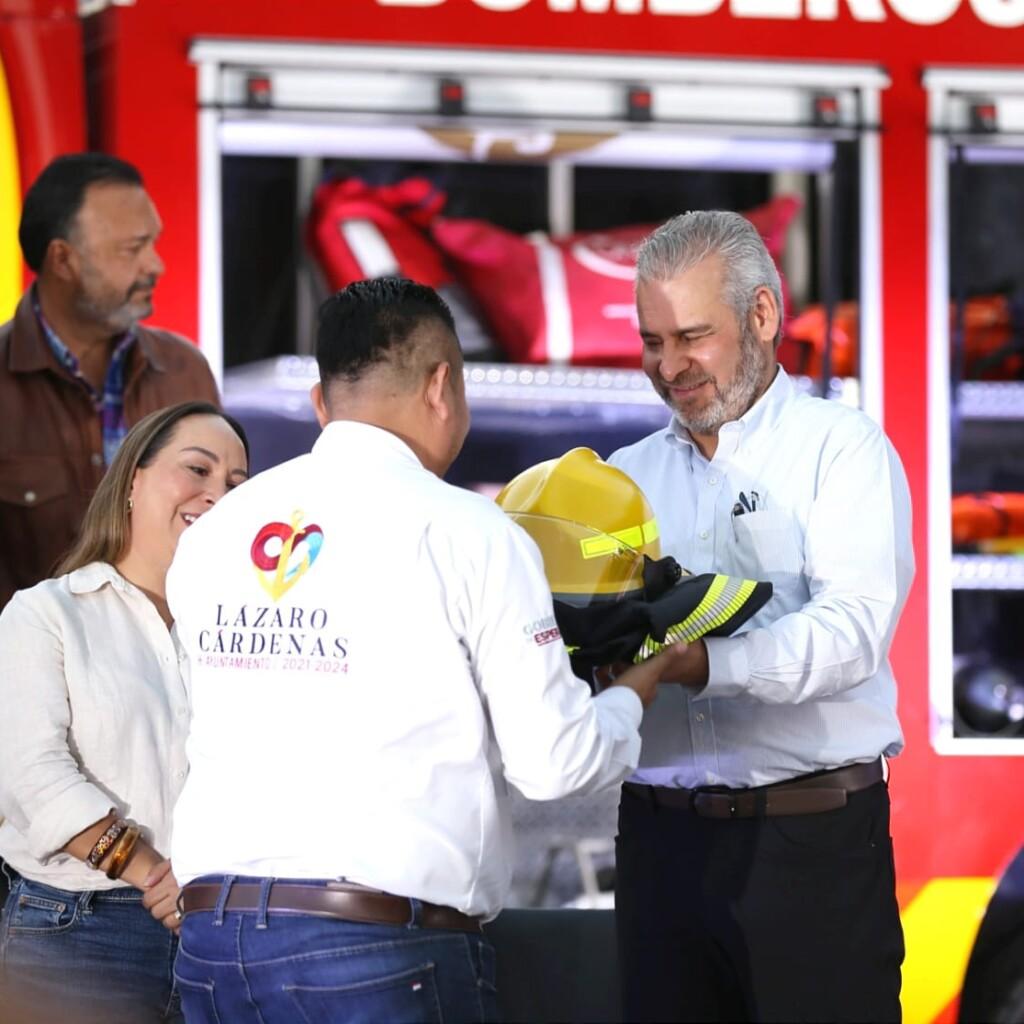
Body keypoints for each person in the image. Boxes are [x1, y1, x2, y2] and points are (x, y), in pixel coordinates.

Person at [165, 277, 687, 1024]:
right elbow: (555, 764)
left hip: (214, 948)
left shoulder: (216, 531)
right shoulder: (471, 532)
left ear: (323, 402)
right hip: (375, 954)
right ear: (443, 385)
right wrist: (635, 689)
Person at [608, 210, 914, 1023]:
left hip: (812, 849)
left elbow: (852, 629)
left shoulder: (841, 449)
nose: (669, 366)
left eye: (691, 336)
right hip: (657, 849)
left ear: (763, 315)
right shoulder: (619, 479)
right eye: (651, 341)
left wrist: (702, 666)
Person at [0, 401, 249, 1024]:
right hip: (76, 930)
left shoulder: (242, 633)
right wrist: (153, 875)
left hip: (221, 929)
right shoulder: (47, 614)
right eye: (197, 469)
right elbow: (35, 776)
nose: (216, 494)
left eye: (236, 486)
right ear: (133, 479)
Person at [0, 153, 220, 612]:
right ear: (63, 259)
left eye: (153, 243)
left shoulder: (185, 371)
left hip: (172, 665)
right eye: (132, 248)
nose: (155, 265)